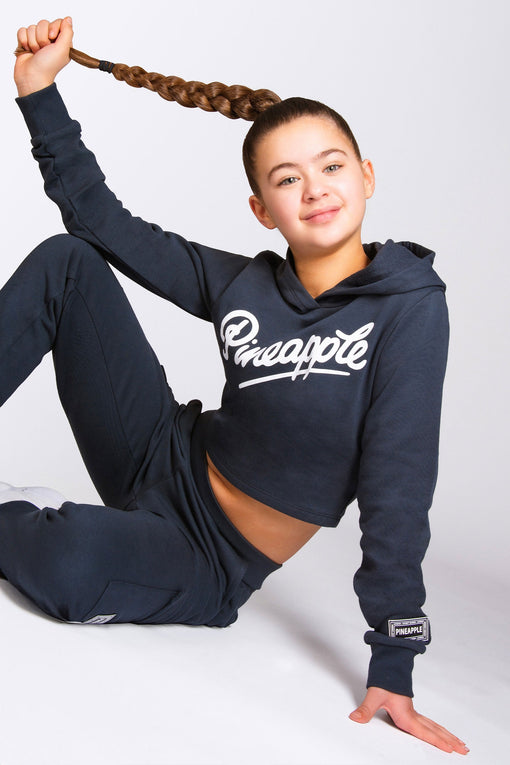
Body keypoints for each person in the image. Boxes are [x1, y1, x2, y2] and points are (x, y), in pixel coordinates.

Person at [0, 16, 468, 755]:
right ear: (262, 209)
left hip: (208, 555)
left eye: (332, 166)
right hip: (155, 452)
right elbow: (102, 224)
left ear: (367, 177)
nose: (314, 190)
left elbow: (399, 487)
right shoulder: (247, 284)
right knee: (68, 262)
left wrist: (394, 657)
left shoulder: (409, 308)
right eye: (287, 179)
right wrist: (37, 91)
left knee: (70, 568)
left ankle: (47, 523)